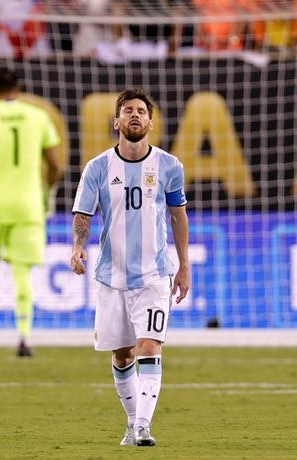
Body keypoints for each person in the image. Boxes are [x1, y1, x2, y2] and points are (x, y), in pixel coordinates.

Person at [70, 89, 190, 447]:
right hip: (112, 278)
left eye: (141, 111)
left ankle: (142, 427)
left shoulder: (170, 166)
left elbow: (178, 216)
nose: (134, 115)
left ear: (151, 122)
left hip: (154, 276)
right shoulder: (98, 167)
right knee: (122, 355)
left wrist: (184, 265)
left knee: (149, 347)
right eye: (127, 111)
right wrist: (78, 246)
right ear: (117, 122)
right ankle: (131, 422)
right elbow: (83, 215)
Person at [0, 68, 63, 358]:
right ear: (19, 87)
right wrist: (49, 191)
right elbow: (56, 164)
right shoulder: (38, 116)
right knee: (22, 273)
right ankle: (24, 338)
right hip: (29, 205)